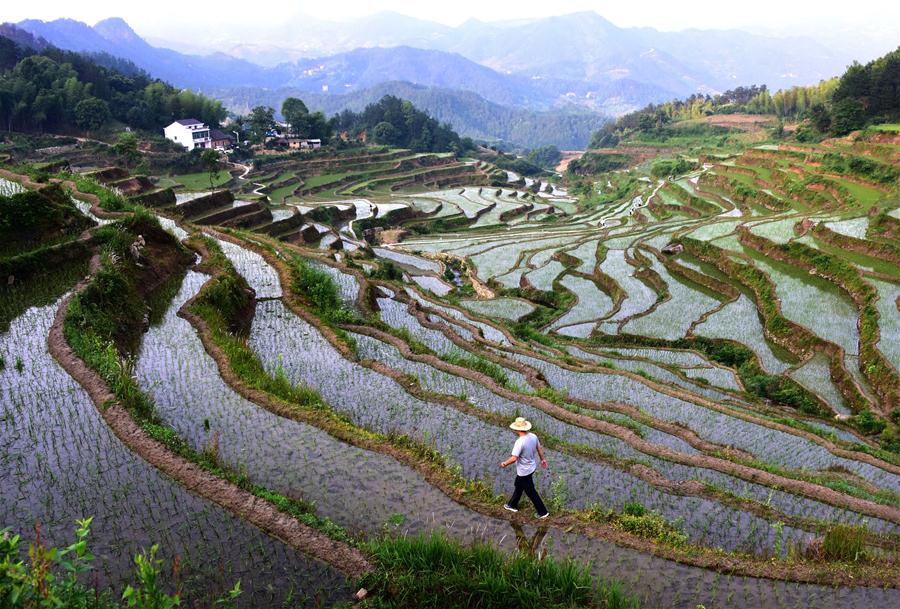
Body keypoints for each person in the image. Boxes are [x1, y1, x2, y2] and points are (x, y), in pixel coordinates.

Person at [499, 417, 549, 518]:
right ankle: (512, 505)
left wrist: (504, 463)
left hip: (524, 470)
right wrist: (543, 459)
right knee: (518, 484)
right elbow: (539, 449)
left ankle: (543, 512)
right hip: (531, 467)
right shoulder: (533, 436)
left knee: (530, 491)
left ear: (517, 429)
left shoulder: (520, 442)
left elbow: (514, 458)